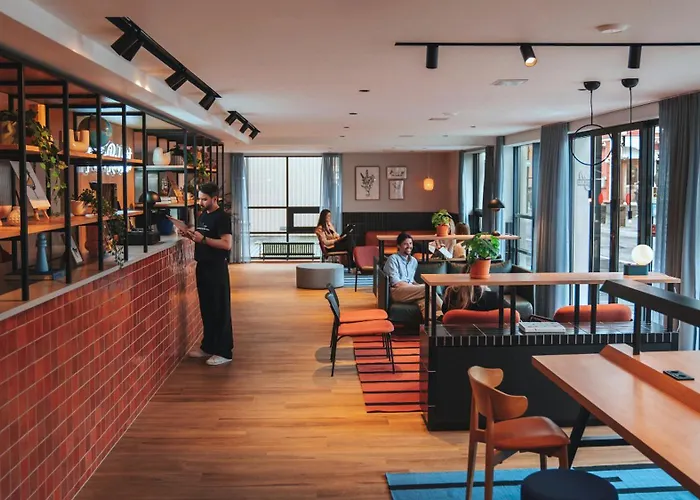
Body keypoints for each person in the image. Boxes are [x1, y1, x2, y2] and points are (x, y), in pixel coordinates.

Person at [181, 182, 234, 366]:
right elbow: (203, 238)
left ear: (215, 199)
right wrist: (189, 234)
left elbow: (226, 244)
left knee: (220, 309)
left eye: (204, 199)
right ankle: (209, 346)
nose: (201, 202)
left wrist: (203, 239)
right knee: (207, 309)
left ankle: (224, 351)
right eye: (200, 199)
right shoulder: (204, 215)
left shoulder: (222, 218)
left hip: (216, 268)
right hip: (202, 266)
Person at [383, 232, 443, 320]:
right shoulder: (393, 259)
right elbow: (397, 283)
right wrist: (419, 288)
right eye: (405, 244)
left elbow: (411, 280)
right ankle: (447, 311)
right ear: (399, 246)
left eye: (410, 243)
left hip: (409, 291)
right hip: (397, 292)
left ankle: (431, 325)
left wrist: (417, 286)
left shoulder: (413, 261)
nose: (409, 246)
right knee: (428, 288)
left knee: (425, 302)